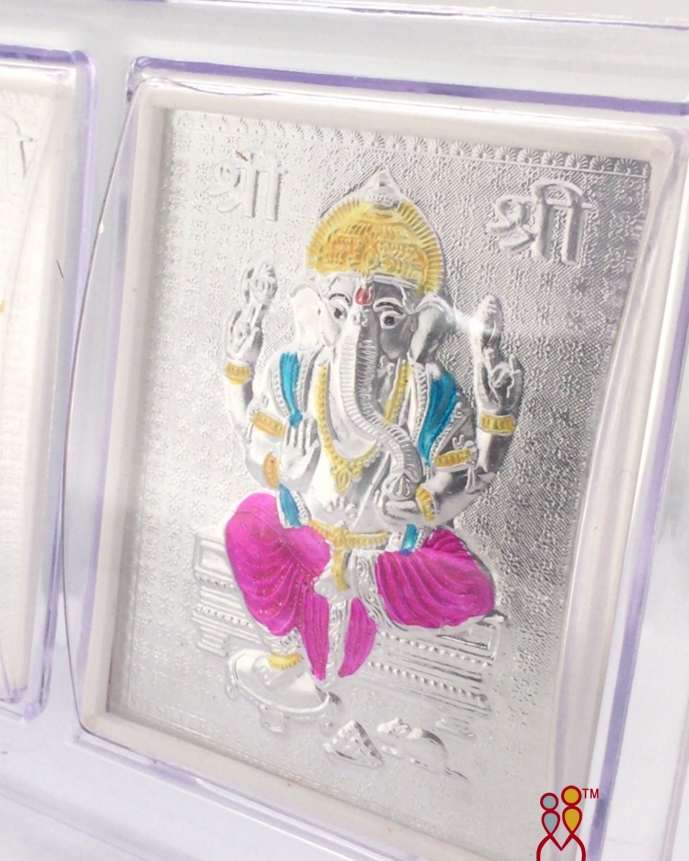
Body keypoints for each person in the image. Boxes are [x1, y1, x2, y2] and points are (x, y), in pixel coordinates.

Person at [222, 170, 522, 694]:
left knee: (471, 586)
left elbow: (458, 475)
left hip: (388, 556)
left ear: (419, 324)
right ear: (319, 310)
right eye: (342, 311)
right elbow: (256, 447)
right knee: (248, 522)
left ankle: (350, 585)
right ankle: (285, 644)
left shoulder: (429, 390)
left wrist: (425, 504)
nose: (358, 330)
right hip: (309, 538)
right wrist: (281, 472)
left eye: (385, 318)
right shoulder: (294, 371)